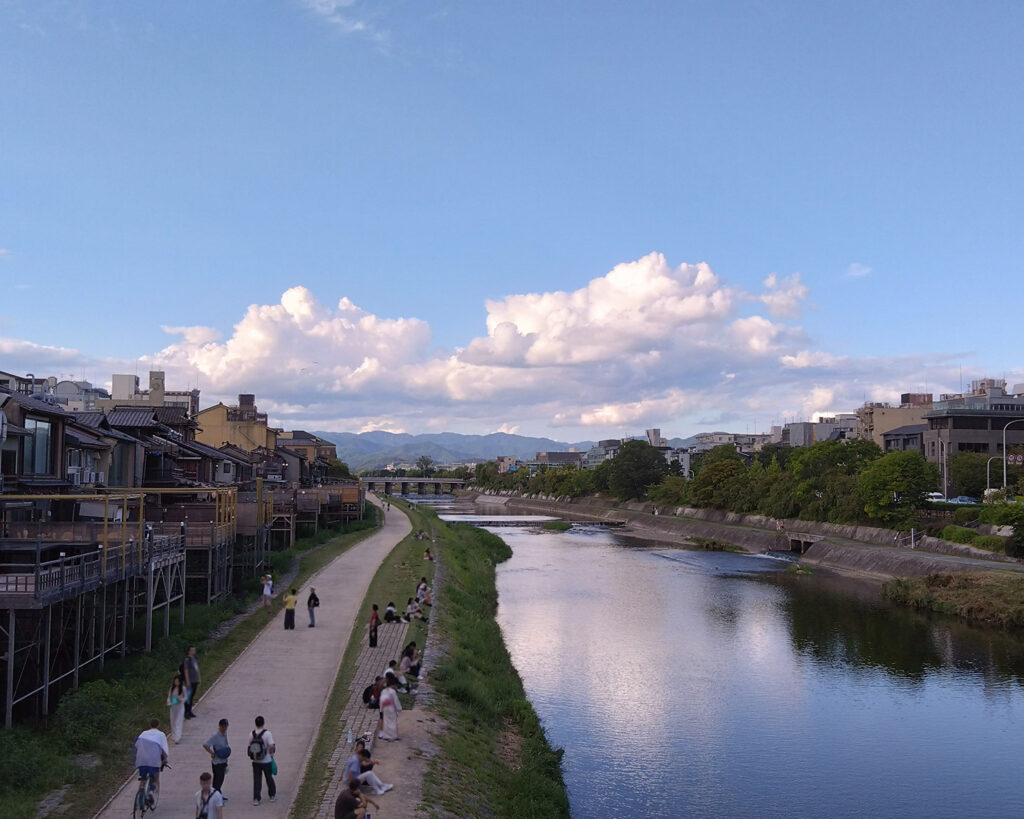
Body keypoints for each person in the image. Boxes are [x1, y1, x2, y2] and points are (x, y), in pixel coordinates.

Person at [134, 718, 169, 804]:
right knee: (155, 778)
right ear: (158, 725)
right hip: (153, 760)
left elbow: (136, 745)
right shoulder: (161, 735)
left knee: (143, 778)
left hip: (141, 759)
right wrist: (164, 760)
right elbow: (164, 750)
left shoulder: (143, 733)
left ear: (150, 725)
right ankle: (150, 792)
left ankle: (139, 799)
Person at [249, 714, 276, 806]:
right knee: (269, 778)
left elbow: (250, 747)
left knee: (257, 780)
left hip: (255, 761)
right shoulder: (267, 734)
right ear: (263, 723)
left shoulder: (251, 734)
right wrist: (272, 754)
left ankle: (256, 798)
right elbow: (271, 746)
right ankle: (272, 795)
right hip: (266, 760)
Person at [202, 718, 231, 799]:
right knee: (217, 780)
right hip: (217, 762)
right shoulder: (215, 736)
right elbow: (205, 744)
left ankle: (218, 795)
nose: (225, 728)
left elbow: (226, 743)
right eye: (223, 727)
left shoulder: (224, 734)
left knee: (221, 779)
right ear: (220, 726)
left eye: (226, 726)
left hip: (223, 760)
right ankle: (215, 797)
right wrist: (211, 753)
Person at [182, 646, 200, 719]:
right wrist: (187, 681)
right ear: (189, 651)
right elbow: (185, 670)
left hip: (195, 680)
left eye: (194, 650)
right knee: (188, 697)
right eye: (192, 650)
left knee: (192, 696)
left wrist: (198, 678)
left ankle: (190, 711)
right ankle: (186, 712)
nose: (194, 652)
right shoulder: (187, 660)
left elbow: (196, 669)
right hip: (190, 681)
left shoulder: (194, 659)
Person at [166, 673, 186, 743]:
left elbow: (185, 697)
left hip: (180, 706)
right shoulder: (172, 689)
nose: (176, 682)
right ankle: (174, 735)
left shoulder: (183, 689)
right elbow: (169, 697)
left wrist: (181, 699)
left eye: (178, 681)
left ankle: (178, 737)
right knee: (173, 721)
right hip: (173, 706)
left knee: (179, 721)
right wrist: (168, 702)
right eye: (175, 681)